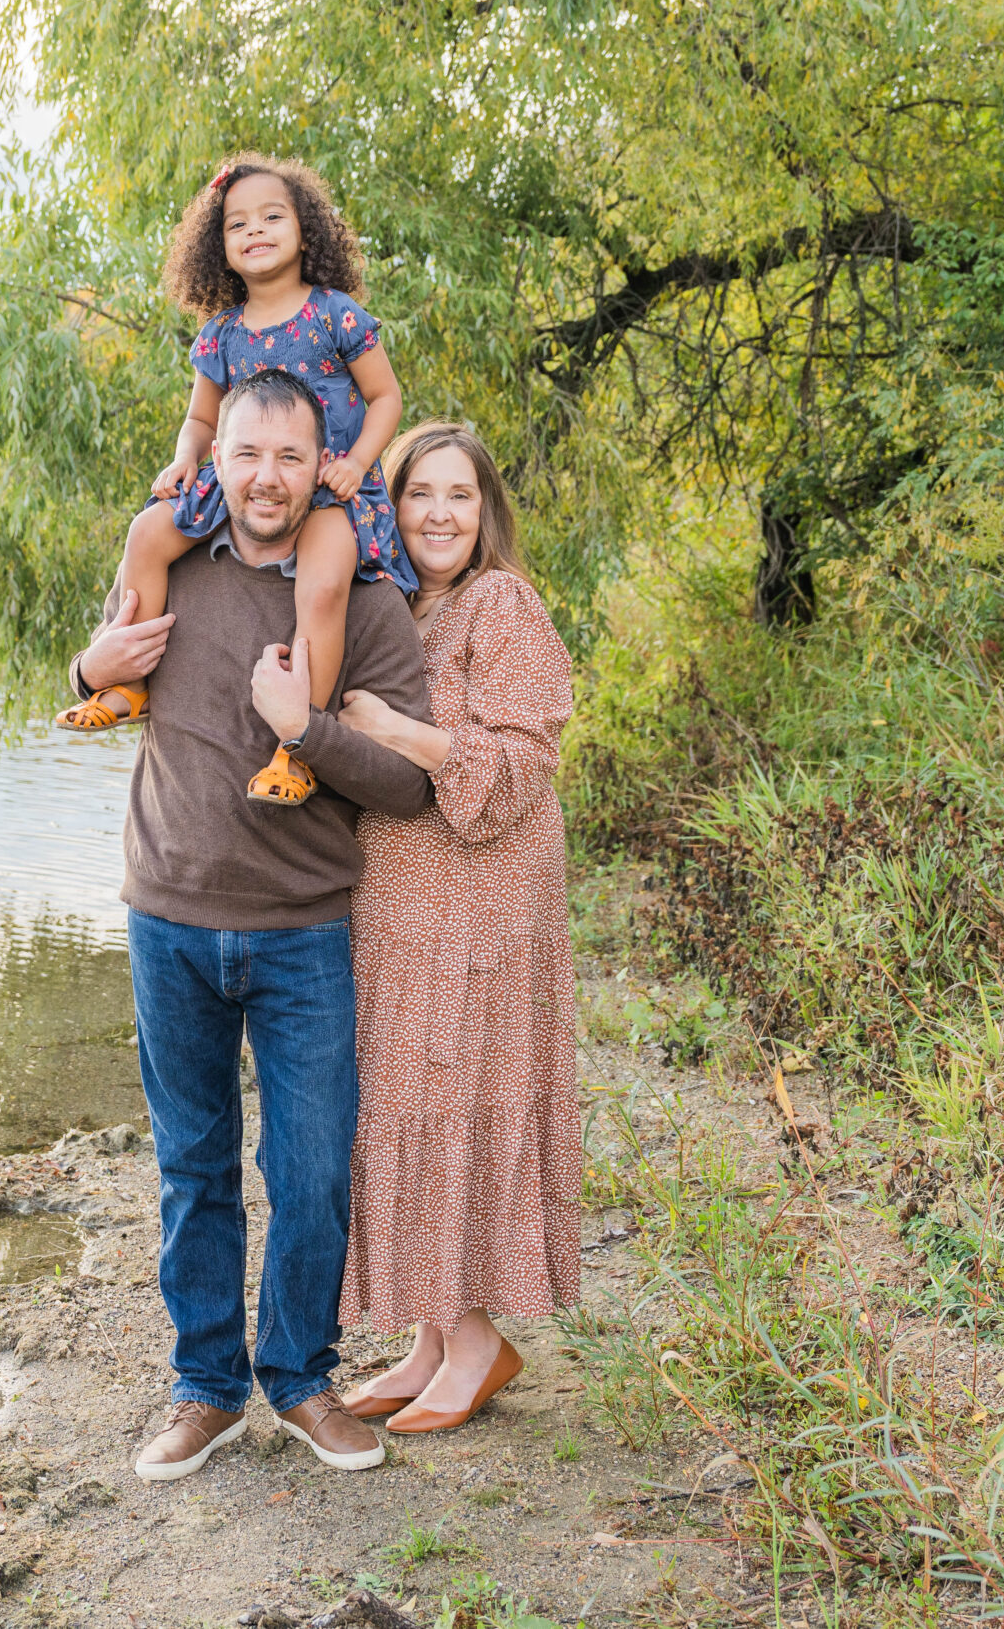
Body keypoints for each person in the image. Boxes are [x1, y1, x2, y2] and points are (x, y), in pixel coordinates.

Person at [67, 367, 435, 1483]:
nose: (264, 478)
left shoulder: (364, 600)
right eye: (245, 454)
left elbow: (411, 788)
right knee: (193, 1165)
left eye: (288, 456)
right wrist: (88, 663)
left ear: (320, 464)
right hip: (167, 919)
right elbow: (94, 678)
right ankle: (205, 1387)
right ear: (212, 460)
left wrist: (307, 728)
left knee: (314, 1168)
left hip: (302, 930)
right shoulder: (172, 564)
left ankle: (301, 1379)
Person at [324, 421, 584, 1433]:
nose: (438, 514)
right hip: (397, 894)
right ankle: (432, 1336)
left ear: (486, 513)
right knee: (405, 1095)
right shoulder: (393, 604)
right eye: (418, 494)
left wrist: (394, 732)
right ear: (387, 509)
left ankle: (477, 1340)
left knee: (455, 1089)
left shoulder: (499, 602)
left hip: (480, 892)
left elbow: (523, 758)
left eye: (459, 496)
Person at [56, 154, 414, 809]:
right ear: (218, 248)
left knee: (327, 582)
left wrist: (357, 461)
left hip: (329, 486)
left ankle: (297, 743)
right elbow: (200, 417)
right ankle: (130, 680)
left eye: (272, 217)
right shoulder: (221, 334)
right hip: (240, 483)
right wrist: (184, 458)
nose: (254, 230)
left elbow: (386, 397)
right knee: (149, 530)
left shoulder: (336, 315)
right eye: (236, 223)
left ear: (306, 231)